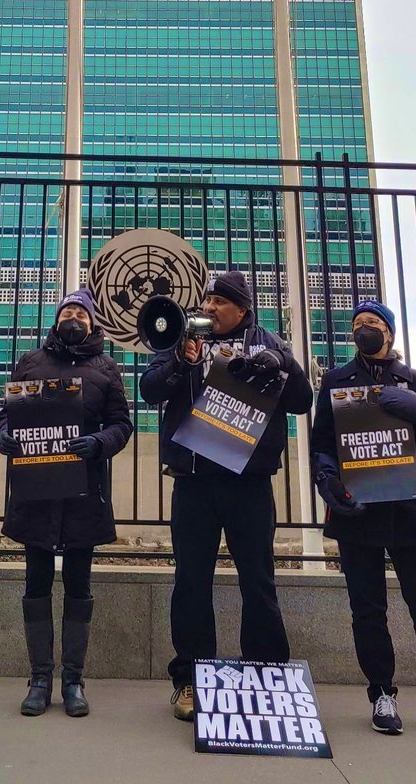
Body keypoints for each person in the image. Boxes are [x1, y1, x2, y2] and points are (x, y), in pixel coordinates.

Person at [139, 270, 313, 722]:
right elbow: (149, 389)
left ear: (243, 308)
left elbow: (301, 401)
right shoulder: (182, 337)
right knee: (191, 583)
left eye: (219, 301)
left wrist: (284, 365)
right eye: (207, 301)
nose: (210, 307)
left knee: (258, 581)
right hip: (193, 483)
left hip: (248, 484)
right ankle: (191, 680)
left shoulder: (271, 343)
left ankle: (266, 674)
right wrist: (180, 361)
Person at [310, 299, 416, 739]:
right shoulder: (336, 381)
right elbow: (321, 442)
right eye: (357, 324)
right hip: (357, 511)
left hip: (408, 510)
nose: (363, 329)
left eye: (372, 322)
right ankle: (381, 694)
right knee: (367, 611)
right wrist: (326, 478)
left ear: (390, 332)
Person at [0, 288, 132, 718]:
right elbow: (8, 415)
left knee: (79, 586)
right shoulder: (31, 363)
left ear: (93, 322)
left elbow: (121, 424)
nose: (73, 316)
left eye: (80, 312)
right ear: (56, 320)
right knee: (35, 585)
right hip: (36, 493)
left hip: (82, 493)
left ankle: (73, 680)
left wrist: (98, 443)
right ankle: (39, 679)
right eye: (66, 311)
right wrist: (6, 436)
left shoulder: (106, 369)